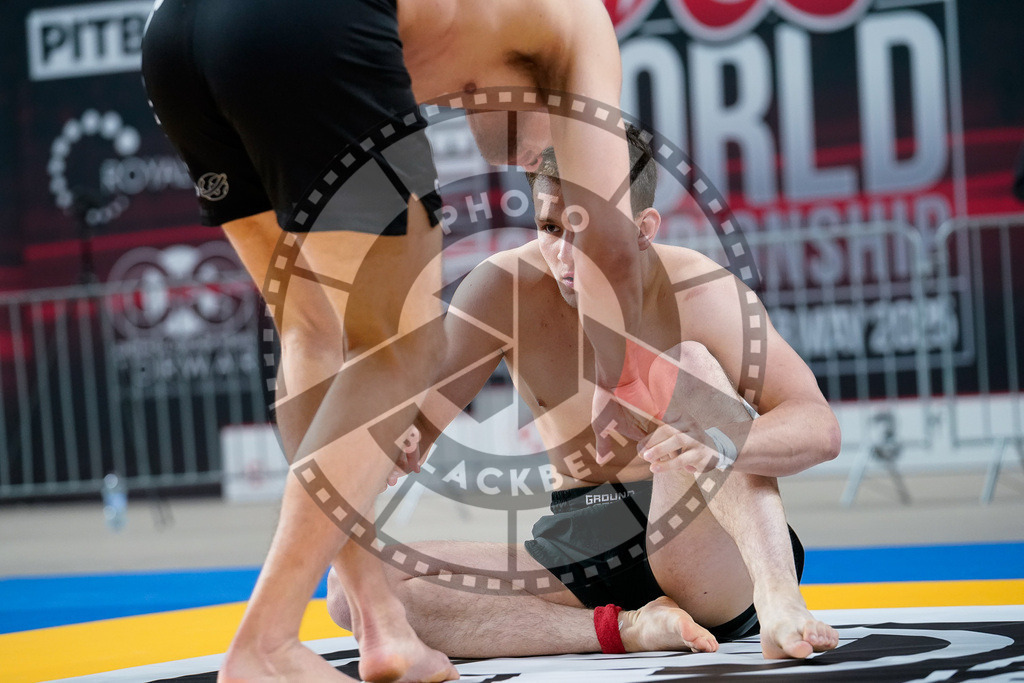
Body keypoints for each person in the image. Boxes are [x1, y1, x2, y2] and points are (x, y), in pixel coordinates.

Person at [141, 0, 651, 680]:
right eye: (554, 144)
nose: (544, 161)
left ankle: (380, 622)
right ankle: (266, 641)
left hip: (175, 37)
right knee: (404, 342)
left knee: (312, 331)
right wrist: (625, 386)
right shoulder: (583, 26)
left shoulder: (477, 30)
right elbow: (611, 244)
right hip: (301, 23)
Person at [325, 127, 841, 661]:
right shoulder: (503, 288)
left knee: (684, 362)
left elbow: (819, 429)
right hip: (580, 534)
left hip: (703, 538)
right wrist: (371, 444)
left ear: (643, 229)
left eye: (589, 231)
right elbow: (408, 430)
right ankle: (631, 628)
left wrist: (721, 443)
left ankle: (779, 599)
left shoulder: (701, 290)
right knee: (355, 591)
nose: (566, 254)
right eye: (551, 228)